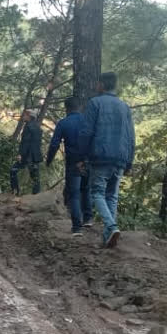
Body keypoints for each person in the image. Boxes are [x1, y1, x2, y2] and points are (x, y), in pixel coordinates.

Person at [84, 72, 135, 248]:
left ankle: (112, 226)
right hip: (120, 158)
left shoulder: (94, 103)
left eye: (97, 83)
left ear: (102, 84)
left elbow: (87, 132)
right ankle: (108, 235)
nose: (96, 86)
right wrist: (129, 161)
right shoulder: (124, 107)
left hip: (101, 156)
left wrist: (82, 156)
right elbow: (131, 136)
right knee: (112, 196)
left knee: (97, 192)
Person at [46, 96, 92, 236]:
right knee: (86, 189)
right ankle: (88, 218)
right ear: (79, 107)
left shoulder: (63, 123)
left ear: (66, 108)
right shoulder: (87, 121)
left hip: (73, 162)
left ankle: (77, 227)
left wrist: (49, 160)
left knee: (74, 194)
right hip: (88, 161)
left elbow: (54, 144)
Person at [10, 109, 43, 195]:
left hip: (27, 155)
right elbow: (38, 143)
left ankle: (15, 191)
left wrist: (20, 154)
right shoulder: (37, 127)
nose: (23, 116)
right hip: (35, 156)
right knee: (35, 178)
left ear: (29, 116)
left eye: (24, 115)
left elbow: (25, 142)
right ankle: (36, 197)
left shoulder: (28, 127)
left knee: (13, 170)